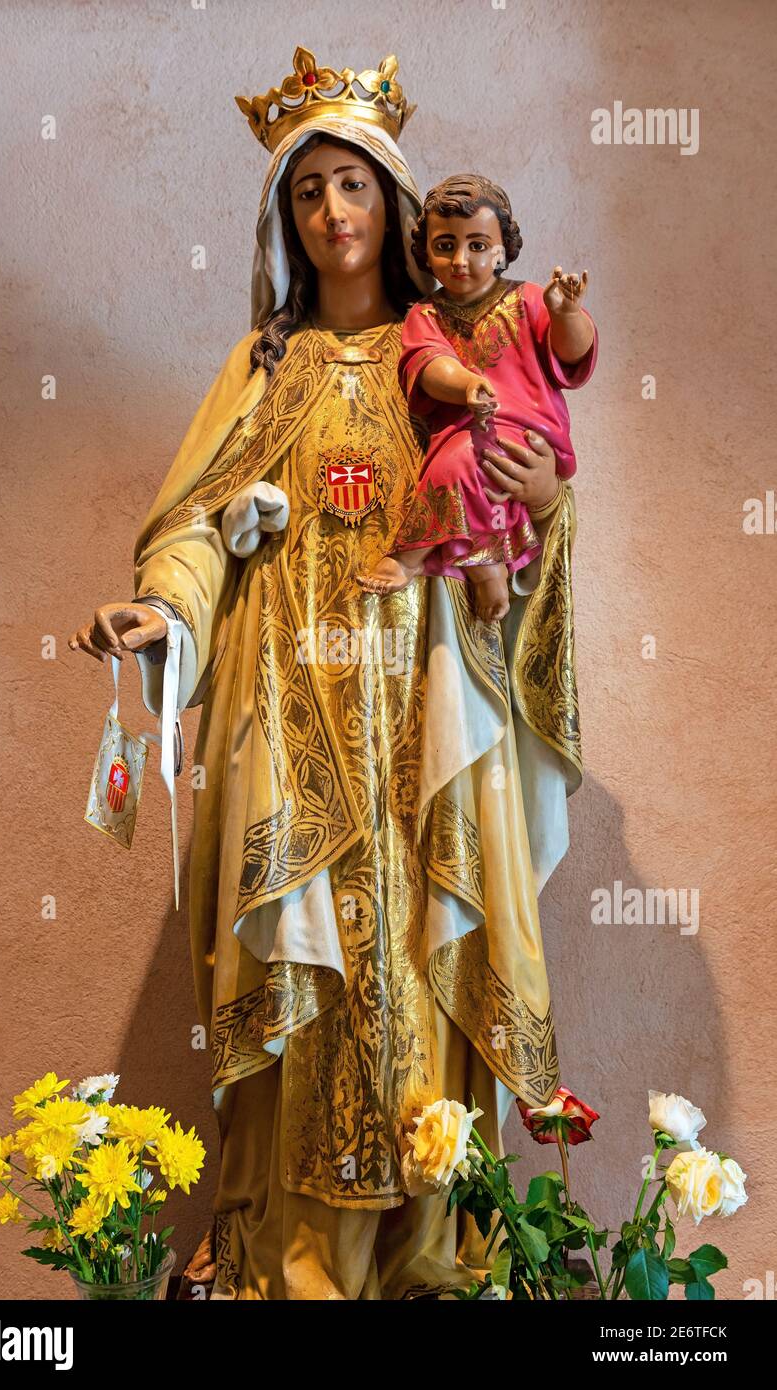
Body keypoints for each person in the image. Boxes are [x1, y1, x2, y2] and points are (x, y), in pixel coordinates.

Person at [68, 47, 583, 1300]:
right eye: (309, 194)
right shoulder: (265, 366)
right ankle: (283, 1259)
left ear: (395, 206)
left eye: (354, 185)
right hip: (288, 718)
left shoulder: (448, 347)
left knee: (420, 951)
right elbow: (191, 527)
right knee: (303, 969)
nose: (334, 213)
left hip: (428, 713)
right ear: (286, 222)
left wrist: (548, 496)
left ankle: (438, 1256)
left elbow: (530, 501)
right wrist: (161, 610)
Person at [357, 175, 597, 621]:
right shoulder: (426, 314)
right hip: (465, 428)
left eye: (478, 246)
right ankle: (487, 566)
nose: (461, 260)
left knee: (464, 465)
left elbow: (572, 353)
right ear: (425, 252)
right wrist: (467, 386)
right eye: (445, 245)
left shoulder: (528, 300)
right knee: (464, 465)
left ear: (503, 250)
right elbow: (429, 364)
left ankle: (411, 556)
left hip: (527, 432)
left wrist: (567, 314)